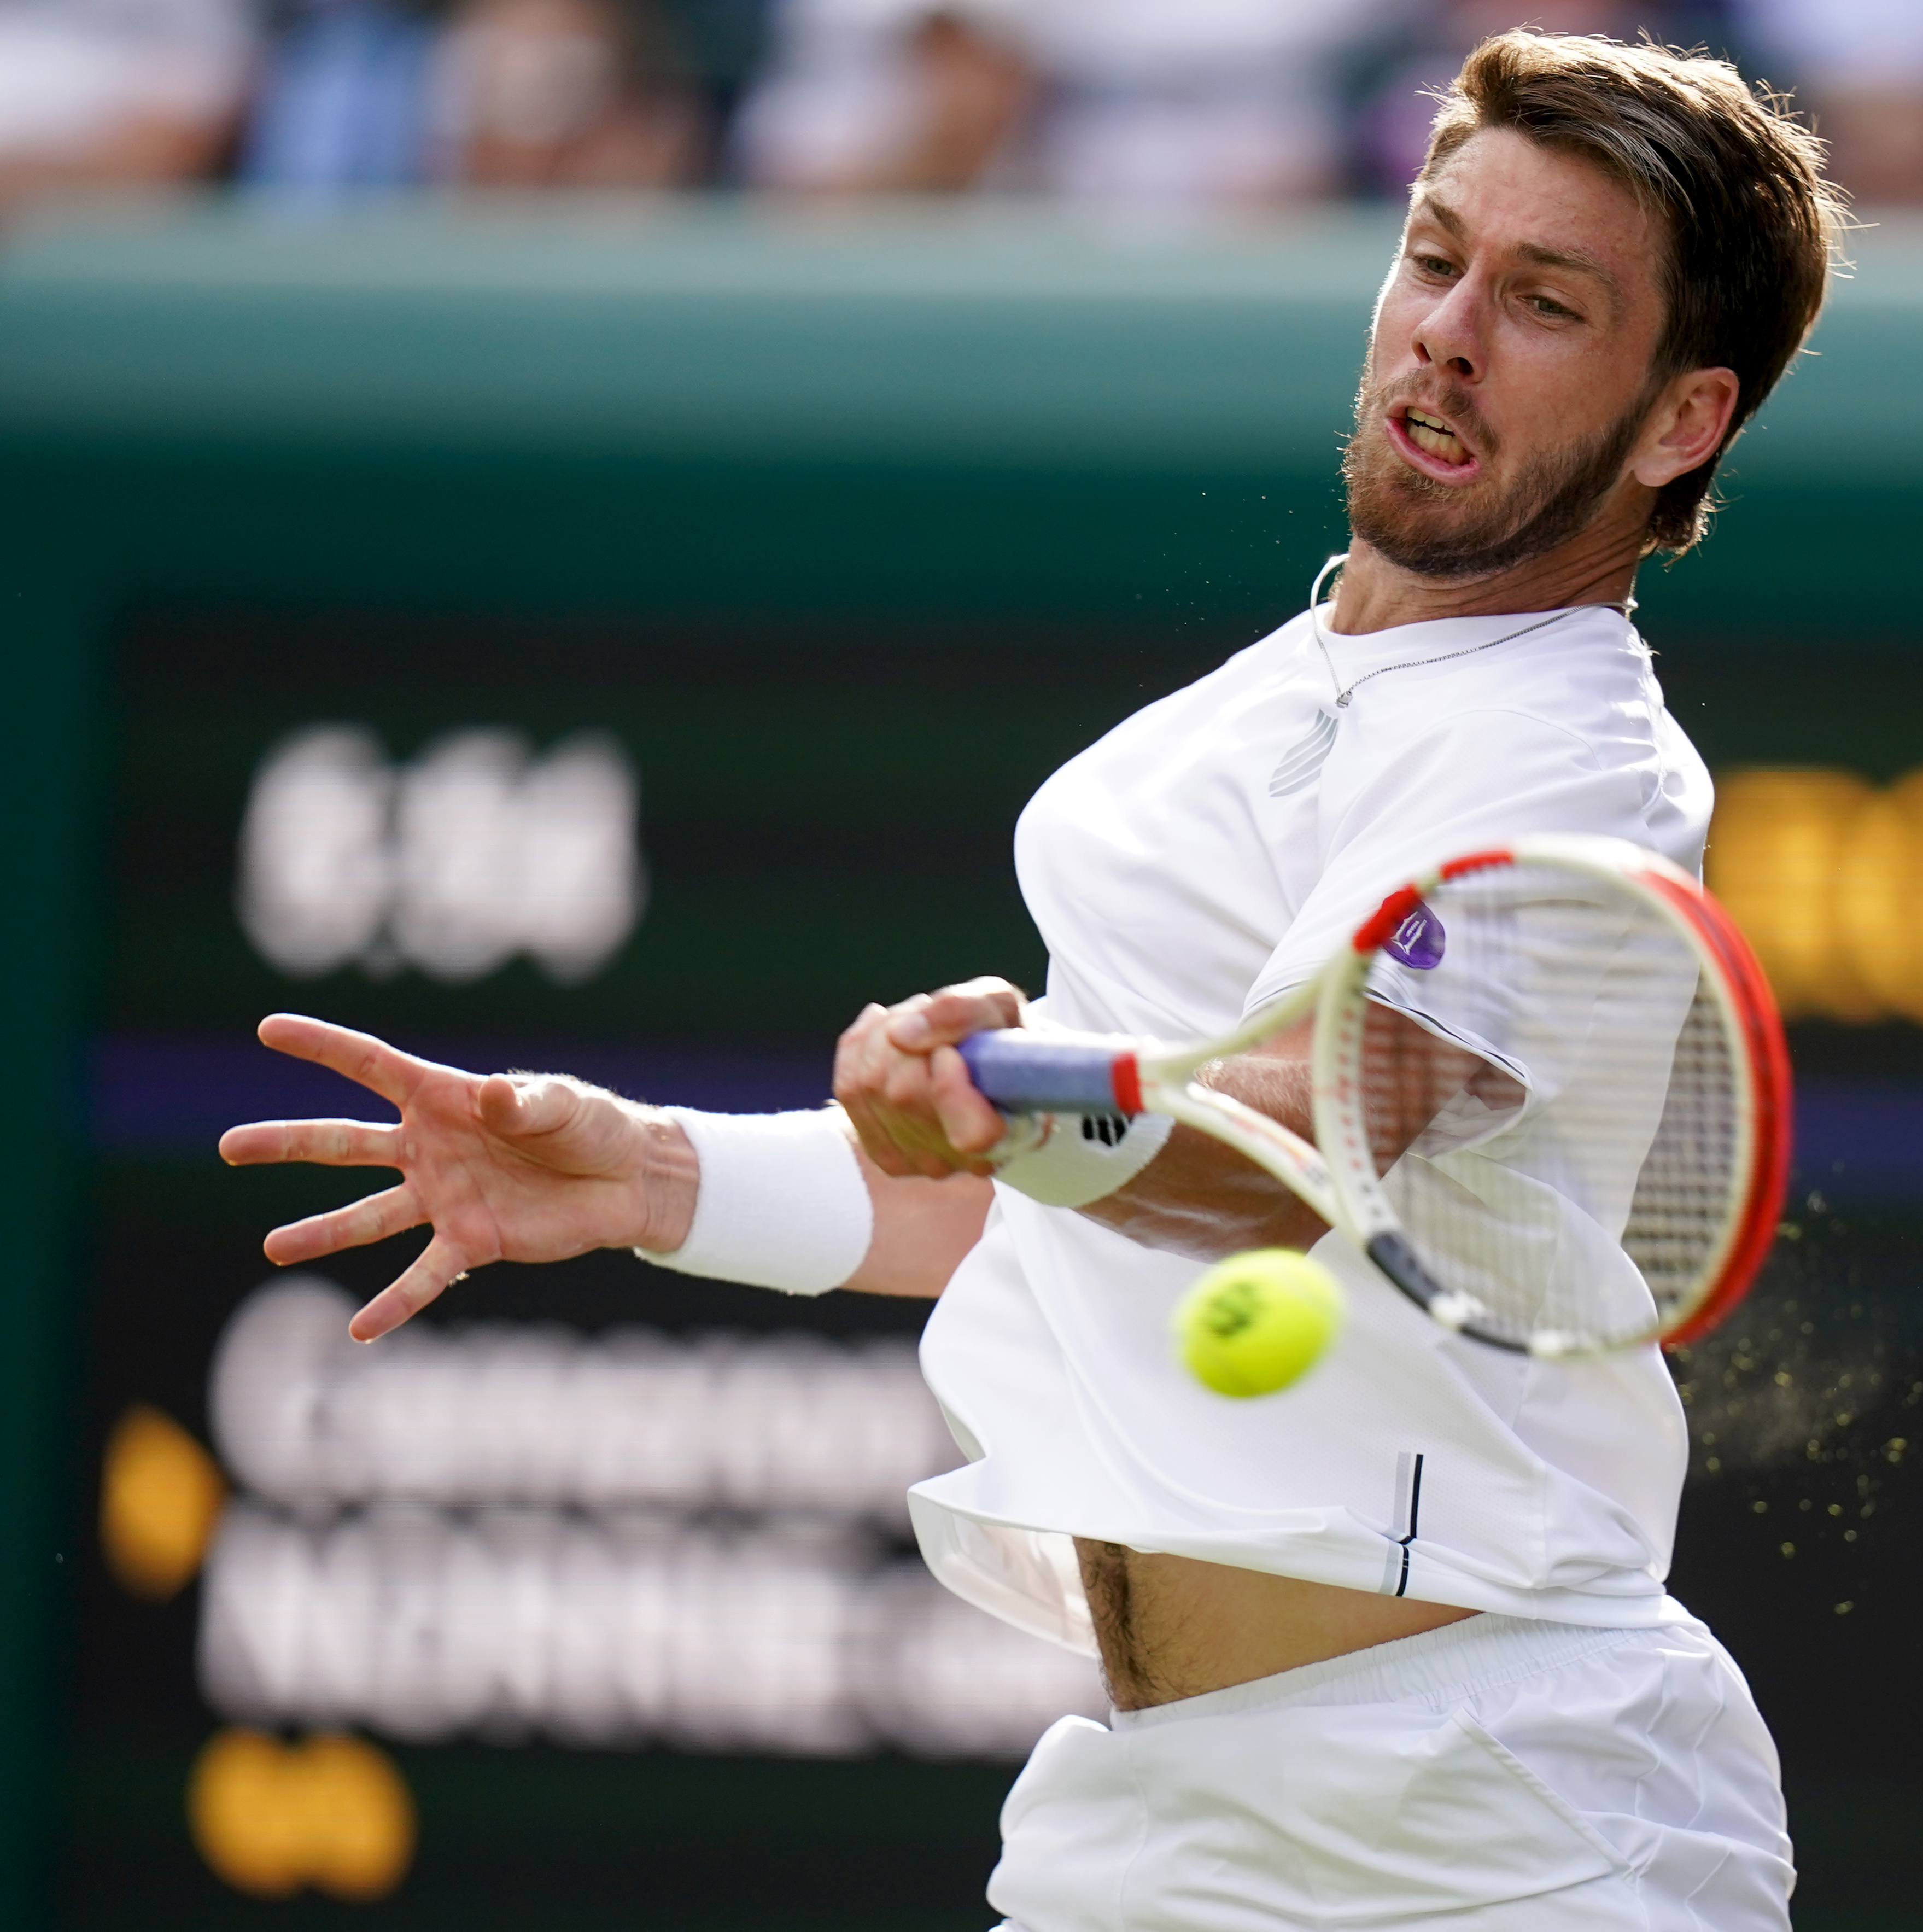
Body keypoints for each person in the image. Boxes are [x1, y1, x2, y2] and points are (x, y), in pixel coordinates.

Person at [224, 31, 1842, 1928]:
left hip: (1497, 1814)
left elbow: (1294, 1166)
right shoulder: (1241, 717)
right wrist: (660, 1179)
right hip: (1160, 1807)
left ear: (1680, 421)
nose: (1447, 332)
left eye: (1546, 302)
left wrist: (1027, 1100)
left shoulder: (1569, 763)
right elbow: (1067, 1219)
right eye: (1432, 254)